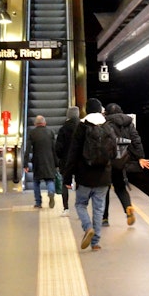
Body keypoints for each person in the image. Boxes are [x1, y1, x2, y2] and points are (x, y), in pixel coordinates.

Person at [61, 98, 114, 250]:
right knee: (98, 208)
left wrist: (67, 176)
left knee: (80, 204)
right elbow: (114, 152)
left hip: (84, 176)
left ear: (86, 110)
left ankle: (87, 227)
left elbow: (73, 153)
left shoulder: (82, 127)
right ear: (100, 110)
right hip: (104, 176)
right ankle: (95, 242)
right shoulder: (107, 127)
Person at [103, 102, 149, 226]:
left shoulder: (104, 124)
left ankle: (104, 218)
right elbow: (136, 140)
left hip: (107, 162)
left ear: (107, 113)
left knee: (105, 190)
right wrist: (140, 157)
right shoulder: (128, 123)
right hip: (121, 160)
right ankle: (128, 208)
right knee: (120, 188)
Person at [24, 115, 57, 208]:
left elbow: (27, 149)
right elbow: (54, 149)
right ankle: (51, 192)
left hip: (37, 161)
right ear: (44, 123)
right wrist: (57, 163)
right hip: (49, 160)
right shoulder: (50, 132)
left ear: (35, 124)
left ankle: (38, 202)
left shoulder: (32, 133)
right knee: (50, 179)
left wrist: (25, 164)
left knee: (36, 182)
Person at [55, 106, 80, 216]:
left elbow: (58, 148)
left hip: (66, 160)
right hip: (80, 161)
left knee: (65, 183)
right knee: (80, 184)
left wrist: (60, 157)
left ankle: (66, 209)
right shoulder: (83, 127)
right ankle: (80, 209)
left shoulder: (63, 129)